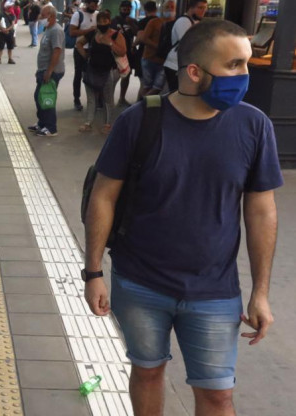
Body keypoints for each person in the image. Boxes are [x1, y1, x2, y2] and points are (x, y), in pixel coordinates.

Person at [84, 19, 281, 416]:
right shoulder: (139, 120)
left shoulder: (254, 126)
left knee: (217, 395)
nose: (245, 74)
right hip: (140, 284)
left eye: (246, 63)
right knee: (148, 372)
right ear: (194, 72)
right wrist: (93, 273)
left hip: (215, 292)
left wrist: (260, 292)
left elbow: (261, 211)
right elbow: (103, 196)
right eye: (235, 65)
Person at [76, 11, 125, 134]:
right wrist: (85, 56)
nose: (102, 23)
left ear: (109, 21)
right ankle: (88, 123)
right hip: (91, 70)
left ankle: (108, 124)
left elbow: (122, 51)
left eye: (105, 21)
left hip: (108, 72)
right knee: (91, 99)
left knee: (107, 100)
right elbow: (79, 43)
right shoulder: (92, 33)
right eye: (100, 21)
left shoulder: (115, 35)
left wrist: (109, 43)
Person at [28, 4, 64, 136]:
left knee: (46, 98)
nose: (40, 17)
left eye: (43, 15)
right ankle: (42, 123)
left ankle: (51, 127)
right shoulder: (48, 29)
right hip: (43, 70)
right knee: (39, 97)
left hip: (52, 71)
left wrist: (49, 71)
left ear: (51, 16)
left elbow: (57, 51)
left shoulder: (56, 31)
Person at [163, 0, 207, 91]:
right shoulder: (184, 21)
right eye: (200, 8)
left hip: (182, 65)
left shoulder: (195, 22)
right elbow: (187, 43)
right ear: (191, 8)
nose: (203, 11)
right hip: (175, 65)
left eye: (205, 8)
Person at [137, 0, 175, 98]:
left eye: (172, 7)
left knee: (157, 87)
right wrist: (158, 47)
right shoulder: (154, 22)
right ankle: (140, 107)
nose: (170, 9)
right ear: (162, 9)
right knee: (147, 87)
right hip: (149, 59)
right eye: (167, 7)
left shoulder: (177, 24)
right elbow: (144, 38)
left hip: (164, 62)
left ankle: (142, 106)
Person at [69, 0, 99, 111]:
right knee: (78, 75)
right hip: (80, 50)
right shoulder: (78, 15)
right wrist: (89, 30)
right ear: (87, 3)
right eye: (93, 3)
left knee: (94, 75)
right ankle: (77, 99)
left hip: (94, 50)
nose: (95, 5)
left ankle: (96, 100)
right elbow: (72, 32)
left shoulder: (97, 15)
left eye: (96, 3)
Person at [111, 1, 138, 106]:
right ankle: (109, 99)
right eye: (124, 9)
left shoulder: (133, 21)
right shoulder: (114, 21)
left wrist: (131, 24)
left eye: (128, 9)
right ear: (120, 8)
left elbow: (137, 33)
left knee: (126, 76)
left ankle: (122, 98)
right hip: (116, 53)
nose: (126, 11)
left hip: (129, 53)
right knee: (113, 77)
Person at [132, 0, 159, 100]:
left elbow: (140, 38)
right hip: (157, 56)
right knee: (154, 85)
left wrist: (133, 45)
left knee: (144, 84)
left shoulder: (143, 22)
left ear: (145, 9)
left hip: (144, 54)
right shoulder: (160, 22)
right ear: (156, 9)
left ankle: (139, 106)